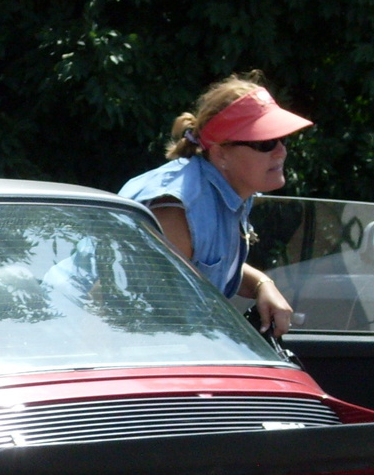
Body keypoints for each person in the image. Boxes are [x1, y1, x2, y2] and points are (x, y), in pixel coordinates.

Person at [119, 73, 312, 337]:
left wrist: (262, 285)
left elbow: (205, 262)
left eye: (282, 140)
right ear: (221, 153)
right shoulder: (176, 213)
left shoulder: (230, 190)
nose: (281, 151)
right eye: (265, 143)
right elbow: (128, 309)